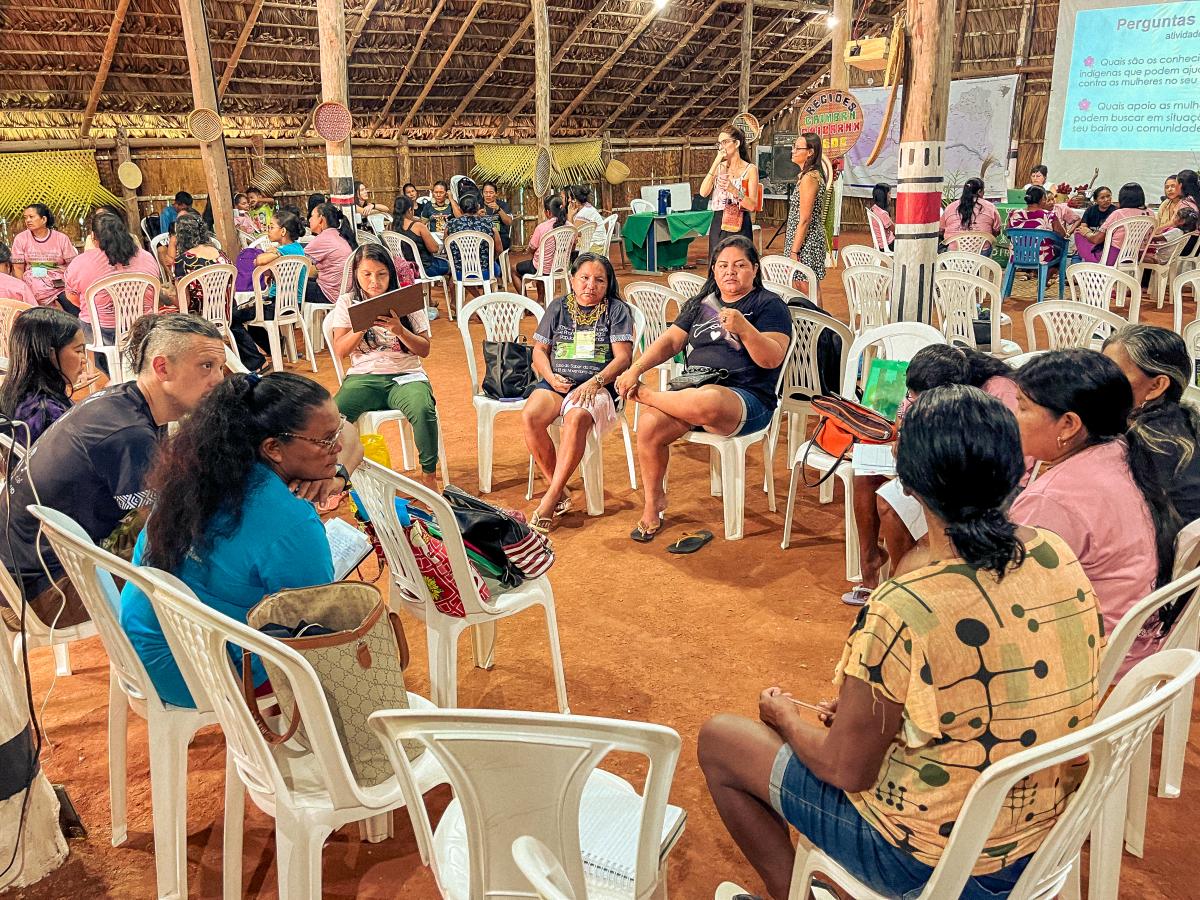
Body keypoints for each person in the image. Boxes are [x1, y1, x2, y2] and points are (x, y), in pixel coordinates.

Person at [698, 384, 1102, 900]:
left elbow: (846, 770)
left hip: (931, 861)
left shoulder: (904, 605)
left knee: (722, 740)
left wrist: (786, 719)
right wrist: (868, 719)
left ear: (905, 480)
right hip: (1042, 840)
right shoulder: (1054, 553)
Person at [119, 371, 360, 709]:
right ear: (273, 448)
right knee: (355, 640)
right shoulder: (292, 524)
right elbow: (315, 632)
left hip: (140, 641)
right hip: (199, 673)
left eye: (335, 431)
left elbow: (350, 434)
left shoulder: (197, 472)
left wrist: (338, 476)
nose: (336, 446)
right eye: (324, 440)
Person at [0, 315, 226, 632]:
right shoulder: (127, 435)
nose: (219, 379)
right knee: (208, 566)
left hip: (29, 571)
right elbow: (163, 527)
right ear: (162, 368)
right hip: (42, 592)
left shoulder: (127, 401)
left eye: (220, 367)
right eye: (206, 366)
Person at [1011, 349, 1178, 676]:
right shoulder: (1120, 450)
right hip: (1136, 642)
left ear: (1069, 424)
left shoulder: (1052, 500)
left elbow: (1012, 599)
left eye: (1022, 407)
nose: (1011, 416)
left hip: (1089, 656)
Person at [615, 236, 792, 541]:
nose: (730, 272)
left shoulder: (768, 304)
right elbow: (670, 342)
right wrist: (636, 368)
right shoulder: (700, 304)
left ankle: (647, 395)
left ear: (754, 269)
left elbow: (771, 358)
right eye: (722, 265)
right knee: (648, 425)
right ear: (713, 269)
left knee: (707, 401)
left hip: (745, 398)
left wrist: (745, 329)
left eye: (739, 266)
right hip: (693, 389)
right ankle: (652, 503)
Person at [848, 345, 1021, 604]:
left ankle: (903, 582)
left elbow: (1008, 461)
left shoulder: (996, 395)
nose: (913, 402)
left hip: (977, 488)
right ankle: (878, 567)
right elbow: (903, 422)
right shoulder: (928, 384)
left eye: (922, 400)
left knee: (893, 502)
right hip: (937, 476)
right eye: (912, 396)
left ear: (950, 393)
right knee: (869, 481)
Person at [522, 253, 634, 533]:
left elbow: (623, 358)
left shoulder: (616, 310)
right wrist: (549, 377)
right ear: (572, 279)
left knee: (576, 418)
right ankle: (558, 491)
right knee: (531, 417)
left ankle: (549, 499)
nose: (590, 285)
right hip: (556, 383)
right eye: (584, 278)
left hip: (597, 386)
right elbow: (539, 351)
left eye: (599, 280)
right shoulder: (558, 307)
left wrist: (595, 381)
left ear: (608, 284)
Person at [327, 244, 442, 489]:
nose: (374, 281)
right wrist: (362, 324)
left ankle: (429, 477)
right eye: (366, 274)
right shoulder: (347, 302)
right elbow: (340, 350)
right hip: (364, 376)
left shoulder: (406, 300)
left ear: (390, 273)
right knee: (332, 416)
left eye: (381, 274)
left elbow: (425, 349)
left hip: (407, 374)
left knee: (423, 409)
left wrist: (400, 330)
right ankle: (334, 477)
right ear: (356, 274)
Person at [1103, 325, 1200, 523]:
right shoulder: (1183, 419)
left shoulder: (1145, 444)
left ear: (1156, 386)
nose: (1097, 381)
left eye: (1112, 375)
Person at [63, 210, 159, 374]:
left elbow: (72, 298)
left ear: (94, 238)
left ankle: (113, 375)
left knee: (82, 323)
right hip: (144, 326)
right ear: (124, 232)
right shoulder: (147, 257)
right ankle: (134, 372)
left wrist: (94, 309)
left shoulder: (81, 262)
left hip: (102, 331)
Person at [0, 307, 86, 445]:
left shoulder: (15, 391)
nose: (84, 360)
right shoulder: (47, 413)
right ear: (51, 354)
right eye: (79, 351)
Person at [701, 124, 759, 255]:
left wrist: (733, 189)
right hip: (719, 221)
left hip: (740, 221)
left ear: (737, 143)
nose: (721, 147)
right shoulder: (719, 167)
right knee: (718, 263)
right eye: (719, 143)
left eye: (725, 142)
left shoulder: (750, 170)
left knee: (739, 263)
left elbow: (752, 205)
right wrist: (716, 162)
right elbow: (703, 192)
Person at [10, 203, 78, 312]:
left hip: (59, 283)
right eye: (25, 218)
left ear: (44, 219)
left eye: (31, 217)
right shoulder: (21, 239)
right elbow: (18, 268)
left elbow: (73, 265)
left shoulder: (61, 238)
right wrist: (23, 289)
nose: (28, 220)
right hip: (33, 283)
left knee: (72, 306)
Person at [783, 133, 828, 287]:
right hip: (802, 240)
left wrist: (795, 251)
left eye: (797, 148)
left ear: (810, 152)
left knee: (805, 289)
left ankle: (816, 313)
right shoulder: (807, 176)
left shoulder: (809, 178)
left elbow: (805, 219)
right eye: (793, 147)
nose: (793, 151)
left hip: (806, 243)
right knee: (804, 288)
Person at [1075, 182, 1148, 264]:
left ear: (1122, 198)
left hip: (1113, 257)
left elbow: (1097, 239)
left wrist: (1087, 233)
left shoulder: (1118, 213)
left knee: (1079, 233)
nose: (1106, 199)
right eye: (1102, 198)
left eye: (1108, 196)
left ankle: (1091, 263)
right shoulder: (1150, 213)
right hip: (1137, 254)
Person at [512, 197, 567, 301]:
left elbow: (532, 248)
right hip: (560, 267)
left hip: (543, 268)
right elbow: (573, 245)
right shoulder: (569, 226)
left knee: (514, 269)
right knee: (539, 263)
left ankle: (527, 304)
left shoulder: (542, 228)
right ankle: (540, 299)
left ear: (548, 212)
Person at [173, 214, 230, 313]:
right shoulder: (221, 255)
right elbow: (231, 289)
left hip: (199, 321)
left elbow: (184, 304)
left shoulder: (182, 261)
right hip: (226, 314)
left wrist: (168, 297)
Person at [305, 202, 355, 304]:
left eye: (312, 216)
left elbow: (296, 264)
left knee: (289, 284)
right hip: (344, 293)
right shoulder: (339, 234)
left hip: (329, 294)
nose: (309, 220)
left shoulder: (323, 238)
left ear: (321, 219)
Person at [392, 194, 450, 279]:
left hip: (403, 269)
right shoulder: (418, 226)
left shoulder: (390, 227)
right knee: (453, 267)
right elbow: (434, 249)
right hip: (424, 268)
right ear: (409, 210)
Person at [446, 192, 501, 279]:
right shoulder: (488, 224)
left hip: (459, 272)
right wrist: (492, 259)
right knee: (495, 269)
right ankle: (487, 292)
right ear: (478, 207)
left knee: (454, 279)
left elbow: (446, 247)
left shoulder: (451, 225)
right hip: (486, 272)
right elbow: (499, 249)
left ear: (460, 209)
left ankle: (473, 293)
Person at [1007, 185, 1067, 263]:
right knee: (1059, 249)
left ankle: (1030, 272)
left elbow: (1008, 234)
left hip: (1017, 255)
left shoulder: (1013, 214)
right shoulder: (1049, 216)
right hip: (1041, 257)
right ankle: (1047, 274)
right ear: (1042, 200)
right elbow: (1063, 234)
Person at [939, 177, 1001, 251]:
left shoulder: (950, 207)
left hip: (954, 255)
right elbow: (997, 230)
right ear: (979, 191)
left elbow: (941, 230)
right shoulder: (990, 207)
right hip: (981, 254)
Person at [481, 181, 515, 251]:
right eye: (485, 192)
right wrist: (477, 215)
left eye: (491, 192)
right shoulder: (478, 205)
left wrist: (499, 209)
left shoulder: (503, 205)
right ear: (482, 193)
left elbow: (509, 222)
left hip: (501, 236)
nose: (488, 195)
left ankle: (495, 261)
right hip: (482, 236)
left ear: (496, 194)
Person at [867, 183, 894, 250]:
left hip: (879, 244)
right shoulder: (882, 213)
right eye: (889, 193)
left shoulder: (874, 208)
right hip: (887, 245)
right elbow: (895, 230)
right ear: (883, 196)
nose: (891, 196)